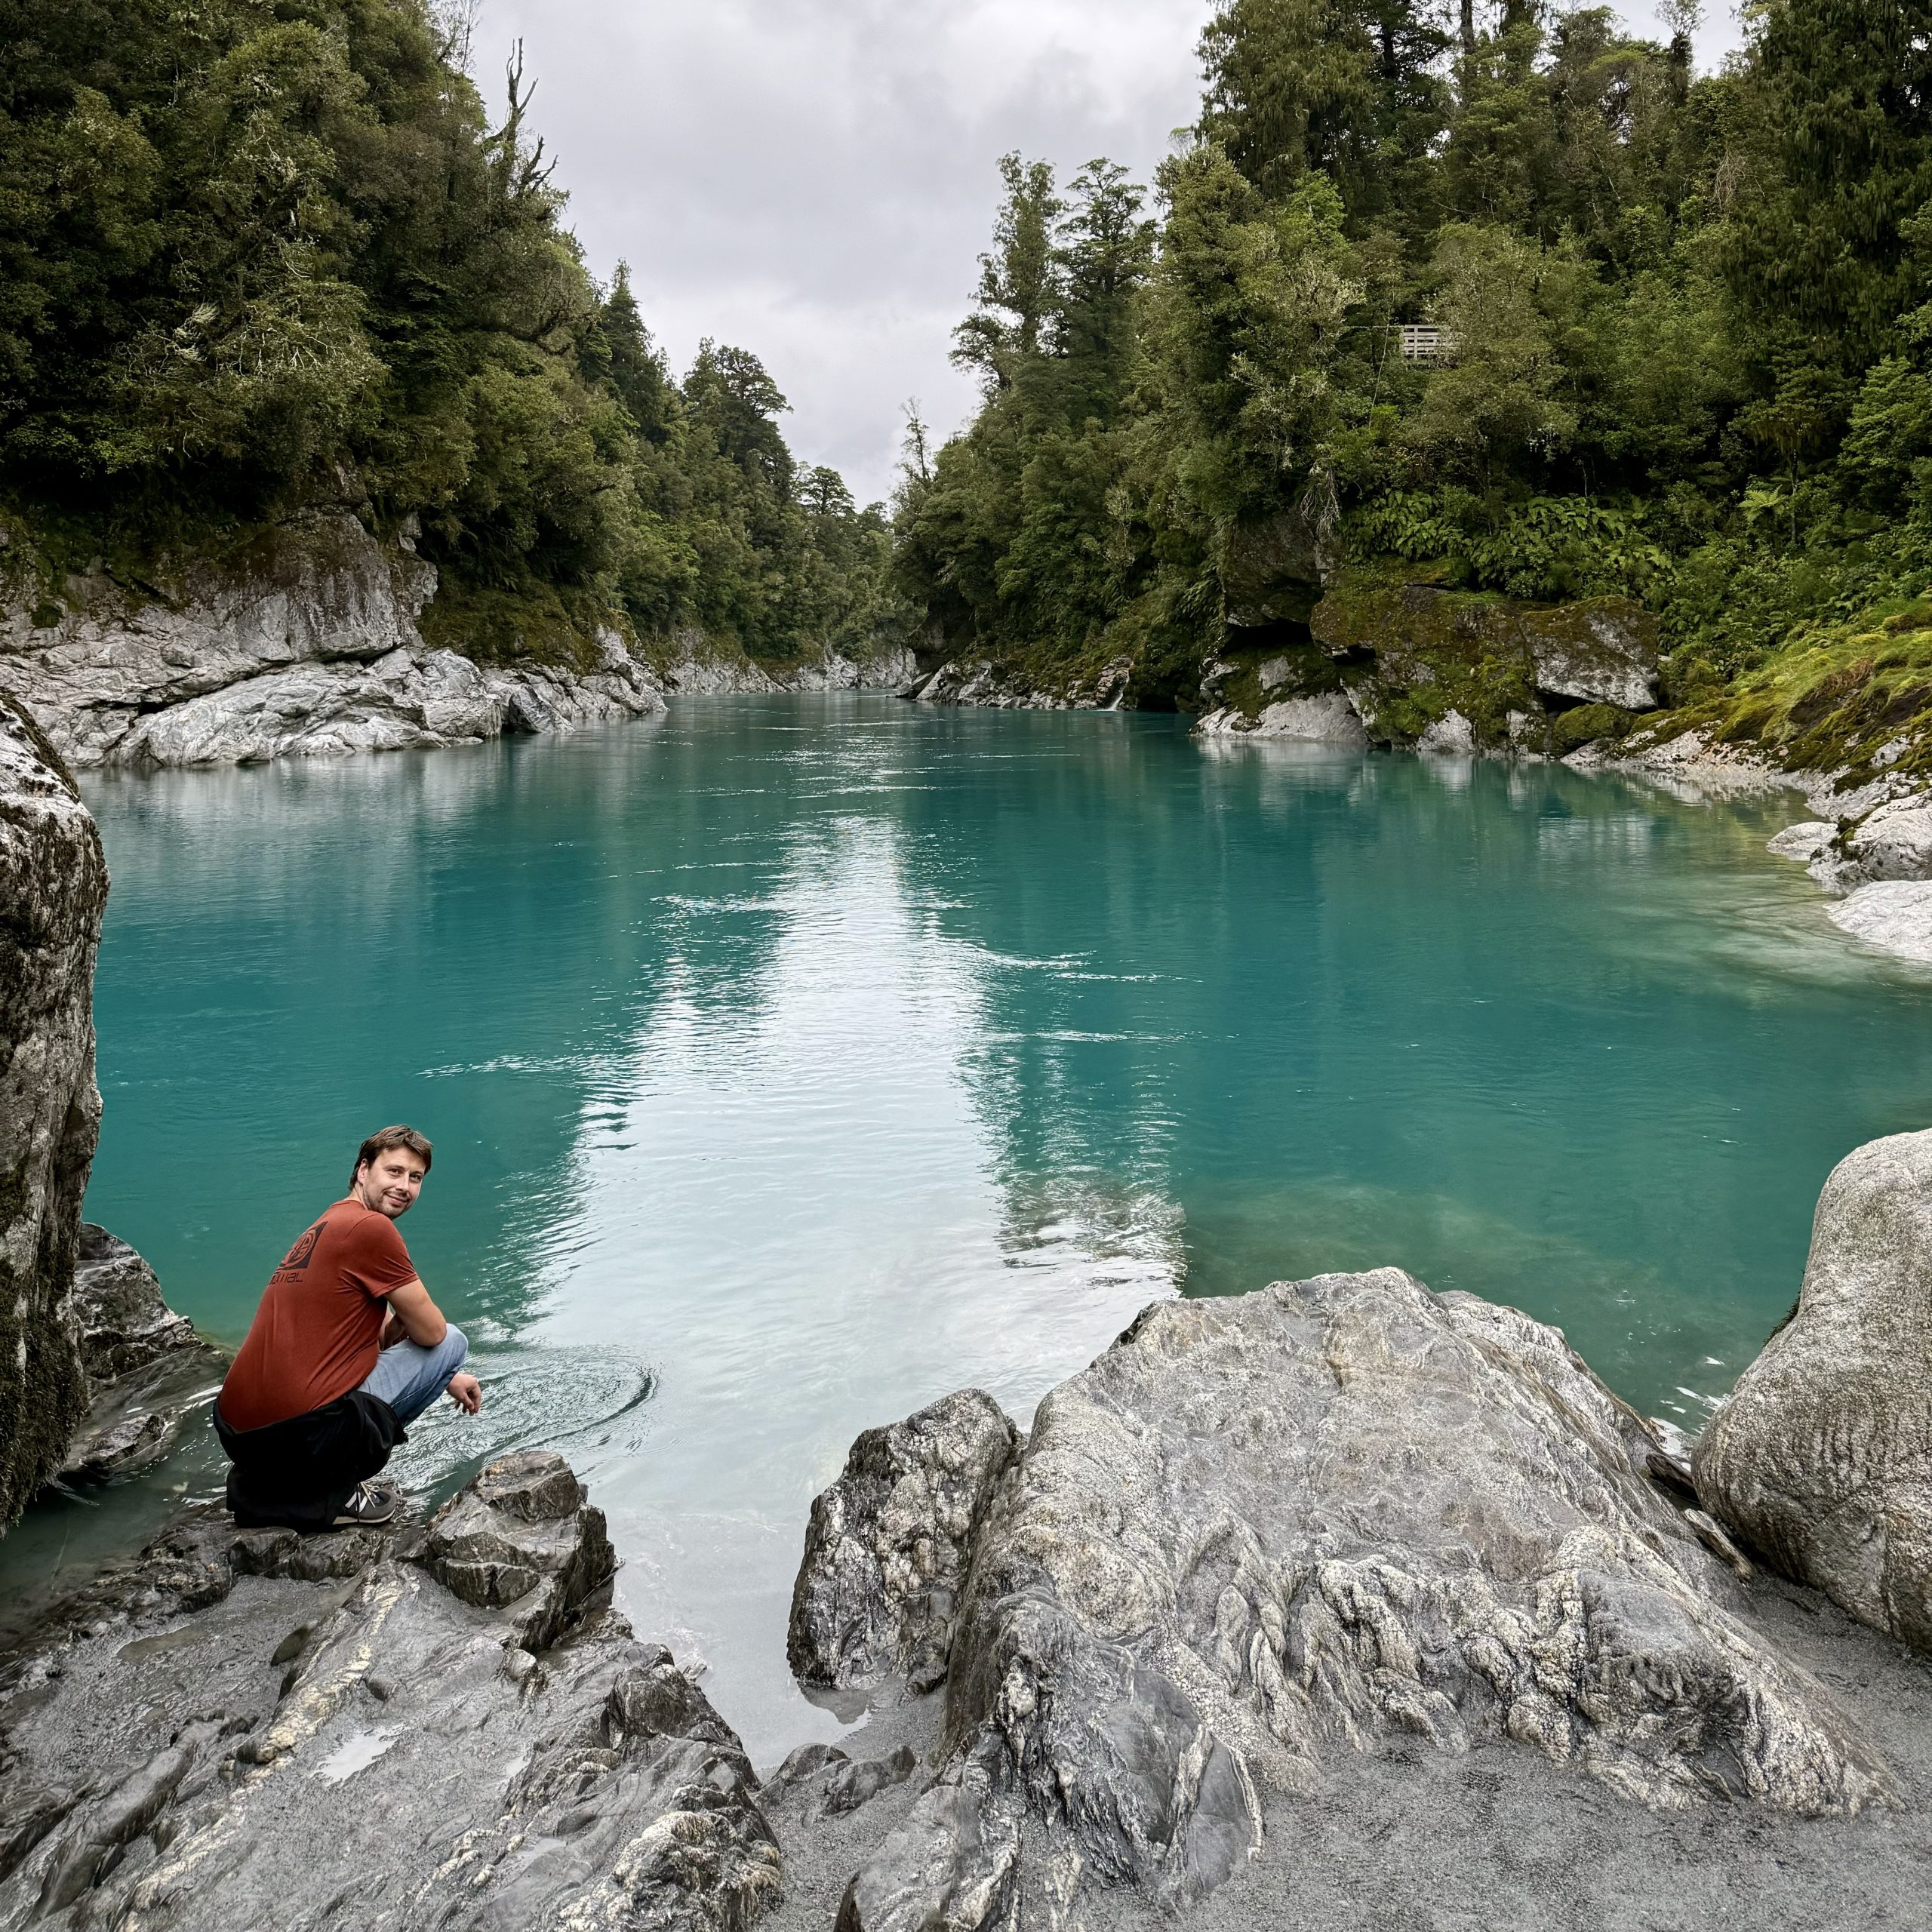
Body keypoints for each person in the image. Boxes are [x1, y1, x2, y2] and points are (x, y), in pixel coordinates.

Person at [215, 1125, 482, 1529]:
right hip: (301, 1438)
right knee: (454, 1340)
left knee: (443, 1358)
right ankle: (340, 1487)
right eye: (393, 1172)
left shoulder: (327, 1224)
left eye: (416, 1178)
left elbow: (362, 1332)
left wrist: (445, 1377)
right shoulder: (372, 1229)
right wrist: (442, 1362)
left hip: (240, 1436)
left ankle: (279, 1486)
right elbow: (432, 1335)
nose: (405, 1187)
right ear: (362, 1171)